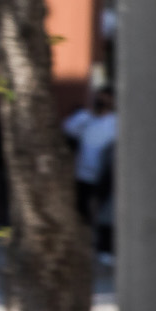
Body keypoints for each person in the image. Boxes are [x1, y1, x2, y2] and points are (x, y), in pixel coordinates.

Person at [64, 87, 117, 258]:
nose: (102, 102)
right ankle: (83, 243)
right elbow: (68, 128)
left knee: (103, 212)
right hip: (82, 173)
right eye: (99, 99)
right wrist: (89, 116)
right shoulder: (86, 118)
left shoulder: (115, 122)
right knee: (82, 210)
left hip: (104, 175)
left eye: (106, 99)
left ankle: (104, 247)